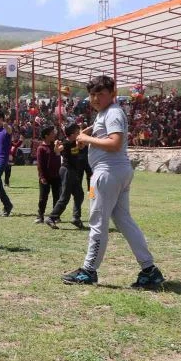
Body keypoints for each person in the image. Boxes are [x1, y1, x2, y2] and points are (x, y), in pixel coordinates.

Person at [62, 75, 165, 289]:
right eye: (92, 94)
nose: (95, 98)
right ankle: (149, 269)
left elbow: (115, 142)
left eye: (101, 94)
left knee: (98, 222)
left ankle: (89, 270)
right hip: (118, 172)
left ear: (113, 94)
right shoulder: (107, 113)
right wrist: (87, 133)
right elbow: (104, 129)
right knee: (124, 222)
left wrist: (86, 139)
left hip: (108, 173)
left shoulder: (113, 113)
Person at [45, 124, 86, 230]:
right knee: (65, 197)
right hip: (67, 170)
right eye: (77, 132)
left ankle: (76, 218)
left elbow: (83, 136)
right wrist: (56, 146)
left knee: (79, 194)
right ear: (72, 134)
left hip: (73, 172)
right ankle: (51, 218)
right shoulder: (66, 143)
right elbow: (57, 150)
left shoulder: (74, 142)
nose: (79, 134)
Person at [35, 126, 61, 224]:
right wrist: (42, 177)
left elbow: (58, 158)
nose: (54, 134)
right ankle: (40, 215)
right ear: (46, 136)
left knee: (57, 196)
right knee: (43, 197)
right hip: (45, 177)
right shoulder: (41, 148)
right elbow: (40, 164)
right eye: (52, 133)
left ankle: (55, 216)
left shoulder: (56, 146)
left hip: (56, 176)